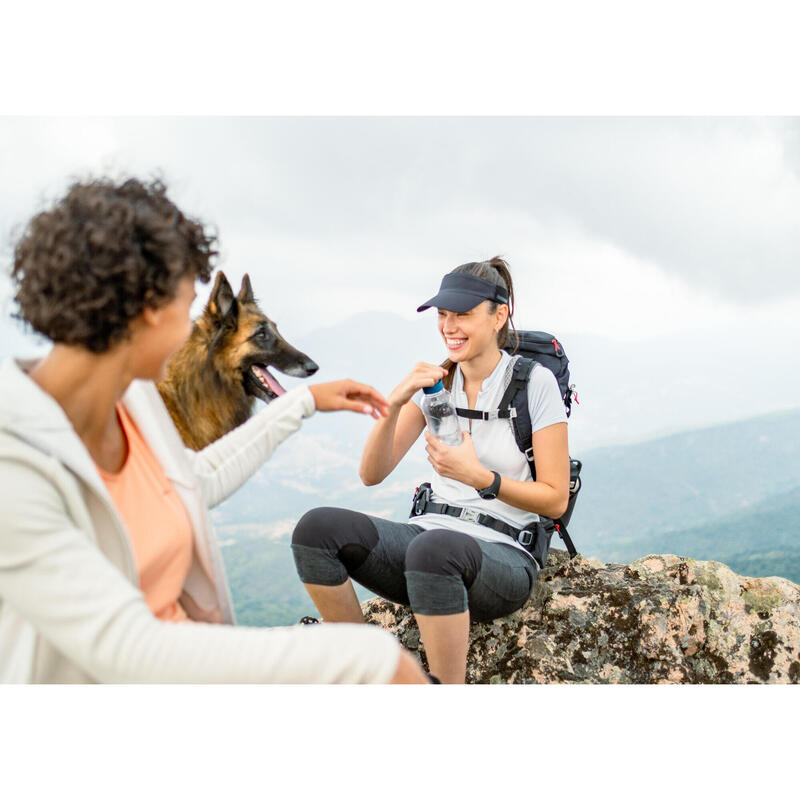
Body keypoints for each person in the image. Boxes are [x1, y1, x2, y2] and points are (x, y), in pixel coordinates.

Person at [0, 176, 428, 684]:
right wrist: (365, 657)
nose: (192, 330)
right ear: (148, 308)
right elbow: (125, 649)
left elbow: (190, 483)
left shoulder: (132, 402)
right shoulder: (15, 461)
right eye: (188, 307)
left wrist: (305, 402)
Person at [291, 257, 570, 683]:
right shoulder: (438, 383)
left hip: (504, 553)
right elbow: (372, 473)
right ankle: (363, 666)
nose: (449, 326)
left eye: (463, 314)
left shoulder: (534, 384)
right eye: (443, 314)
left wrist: (482, 479)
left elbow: (555, 497)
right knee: (315, 530)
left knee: (435, 549)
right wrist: (396, 403)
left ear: (499, 315)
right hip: (429, 540)